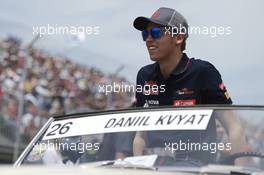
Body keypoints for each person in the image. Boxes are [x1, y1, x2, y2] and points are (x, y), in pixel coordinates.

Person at [132, 7, 246, 165]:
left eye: (156, 33)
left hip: (194, 166)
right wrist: (136, 165)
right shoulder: (144, 75)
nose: (148, 39)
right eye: (145, 34)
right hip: (153, 164)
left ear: (178, 38)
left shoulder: (203, 71)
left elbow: (234, 127)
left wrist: (240, 170)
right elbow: (141, 134)